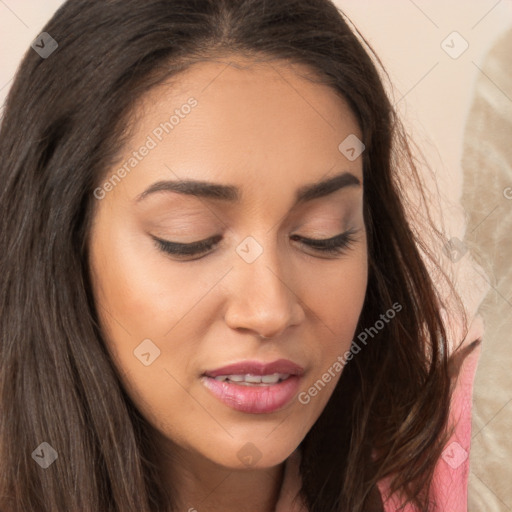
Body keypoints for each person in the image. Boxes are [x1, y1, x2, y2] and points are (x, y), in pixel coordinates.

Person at [0, 1, 485, 511]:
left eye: (325, 235)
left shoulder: (466, 453)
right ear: (62, 244)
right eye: (189, 238)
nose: (270, 310)